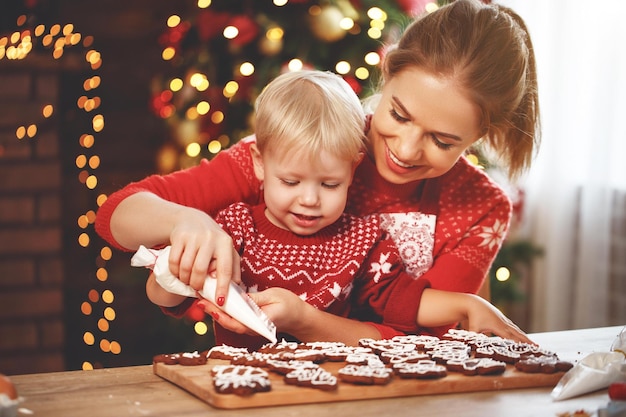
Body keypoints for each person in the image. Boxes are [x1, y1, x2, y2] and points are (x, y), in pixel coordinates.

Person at [95, 0, 540, 344]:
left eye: (442, 141)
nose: (405, 150)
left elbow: (424, 345)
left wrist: (307, 321)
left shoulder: (480, 207)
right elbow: (116, 215)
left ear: (481, 134)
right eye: (399, 115)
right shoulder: (309, 148)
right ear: (386, 72)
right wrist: (183, 220)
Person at [144, 69, 530, 350]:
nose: (309, 199)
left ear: (352, 169)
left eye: (329, 185)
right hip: (245, 386)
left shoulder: (363, 240)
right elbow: (168, 295)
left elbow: (403, 300)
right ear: (260, 165)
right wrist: (170, 274)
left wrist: (467, 303)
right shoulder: (234, 226)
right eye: (291, 182)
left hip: (342, 386)